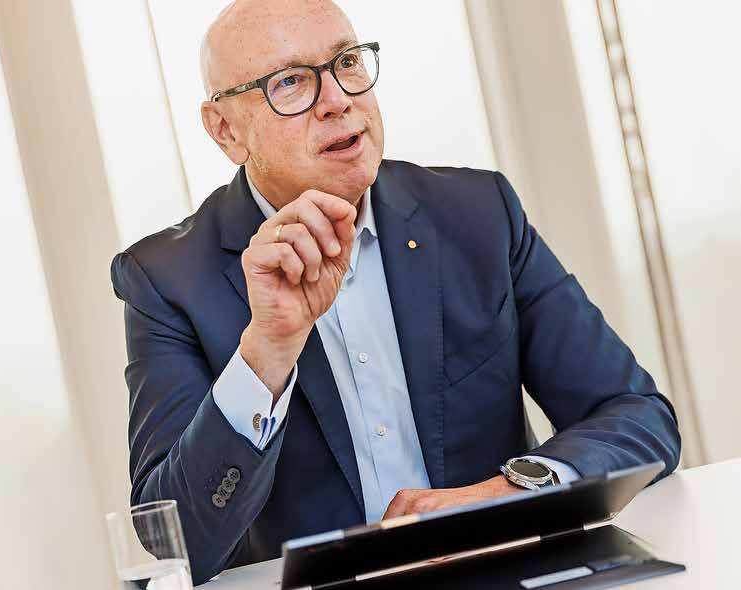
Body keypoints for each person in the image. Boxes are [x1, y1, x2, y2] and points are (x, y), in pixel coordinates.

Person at [110, 0, 680, 583]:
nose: (338, 100)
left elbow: (638, 417)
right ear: (226, 130)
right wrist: (267, 350)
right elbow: (177, 542)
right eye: (290, 83)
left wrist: (505, 494)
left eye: (347, 62)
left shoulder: (477, 214)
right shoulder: (167, 279)